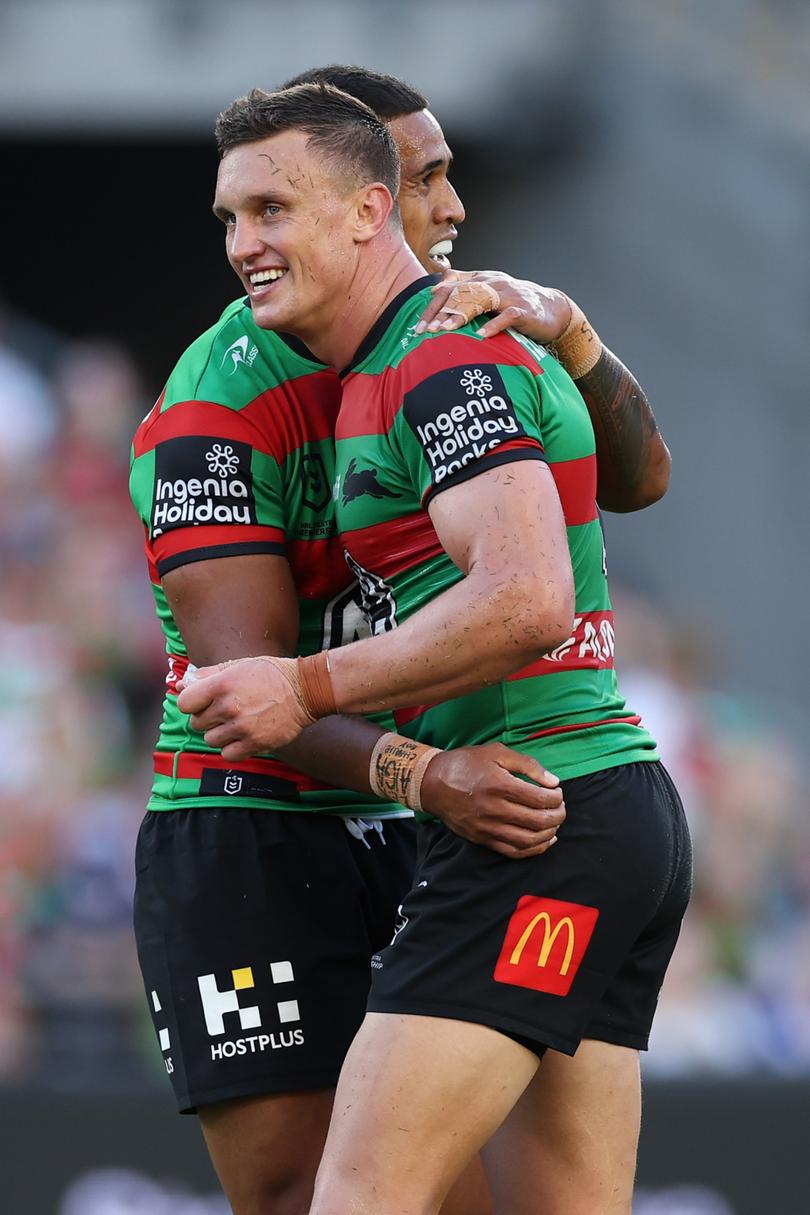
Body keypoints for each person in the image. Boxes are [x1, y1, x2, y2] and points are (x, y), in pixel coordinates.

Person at [179, 83, 692, 1215]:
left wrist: (303, 682)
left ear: (366, 213)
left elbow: (525, 600)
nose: (243, 244)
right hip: (595, 808)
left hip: (538, 826)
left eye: (272, 209)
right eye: (230, 218)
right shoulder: (410, 352)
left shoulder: (435, 358)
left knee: (358, 1201)